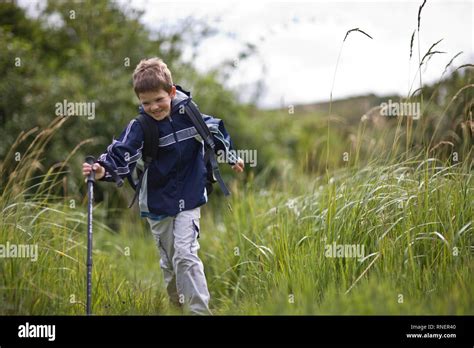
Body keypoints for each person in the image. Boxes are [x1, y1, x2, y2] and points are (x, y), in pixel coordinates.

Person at [82, 57, 244, 315]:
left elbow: (214, 130)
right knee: (170, 263)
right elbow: (121, 152)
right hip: (157, 201)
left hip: (189, 195)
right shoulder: (141, 126)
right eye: (146, 103)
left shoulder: (189, 113)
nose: (154, 107)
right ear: (139, 102)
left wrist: (230, 155)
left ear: (171, 92)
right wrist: (101, 170)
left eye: (159, 99)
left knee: (185, 255)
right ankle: (176, 305)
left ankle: (199, 312)